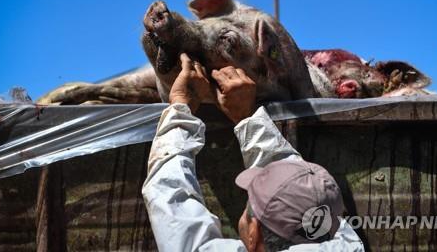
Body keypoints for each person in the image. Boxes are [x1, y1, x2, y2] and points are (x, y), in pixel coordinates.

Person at [142, 53, 364, 252]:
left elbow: (170, 194)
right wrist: (247, 117)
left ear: (253, 233)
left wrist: (182, 106)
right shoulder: (348, 244)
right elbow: (294, 181)